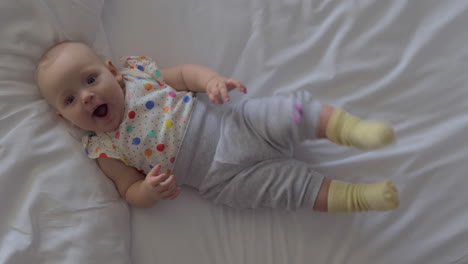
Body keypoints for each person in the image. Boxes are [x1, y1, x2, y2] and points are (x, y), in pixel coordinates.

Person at [35, 41, 400, 212]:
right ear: (64, 118)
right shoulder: (103, 148)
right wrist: (147, 190)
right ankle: (357, 198)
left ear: (112, 71)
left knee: (286, 112)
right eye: (69, 100)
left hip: (234, 125)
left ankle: (352, 130)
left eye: (90, 79)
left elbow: (184, 75)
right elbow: (128, 189)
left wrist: (211, 81)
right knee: (292, 191)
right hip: (220, 179)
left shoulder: (139, 75)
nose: (85, 97)